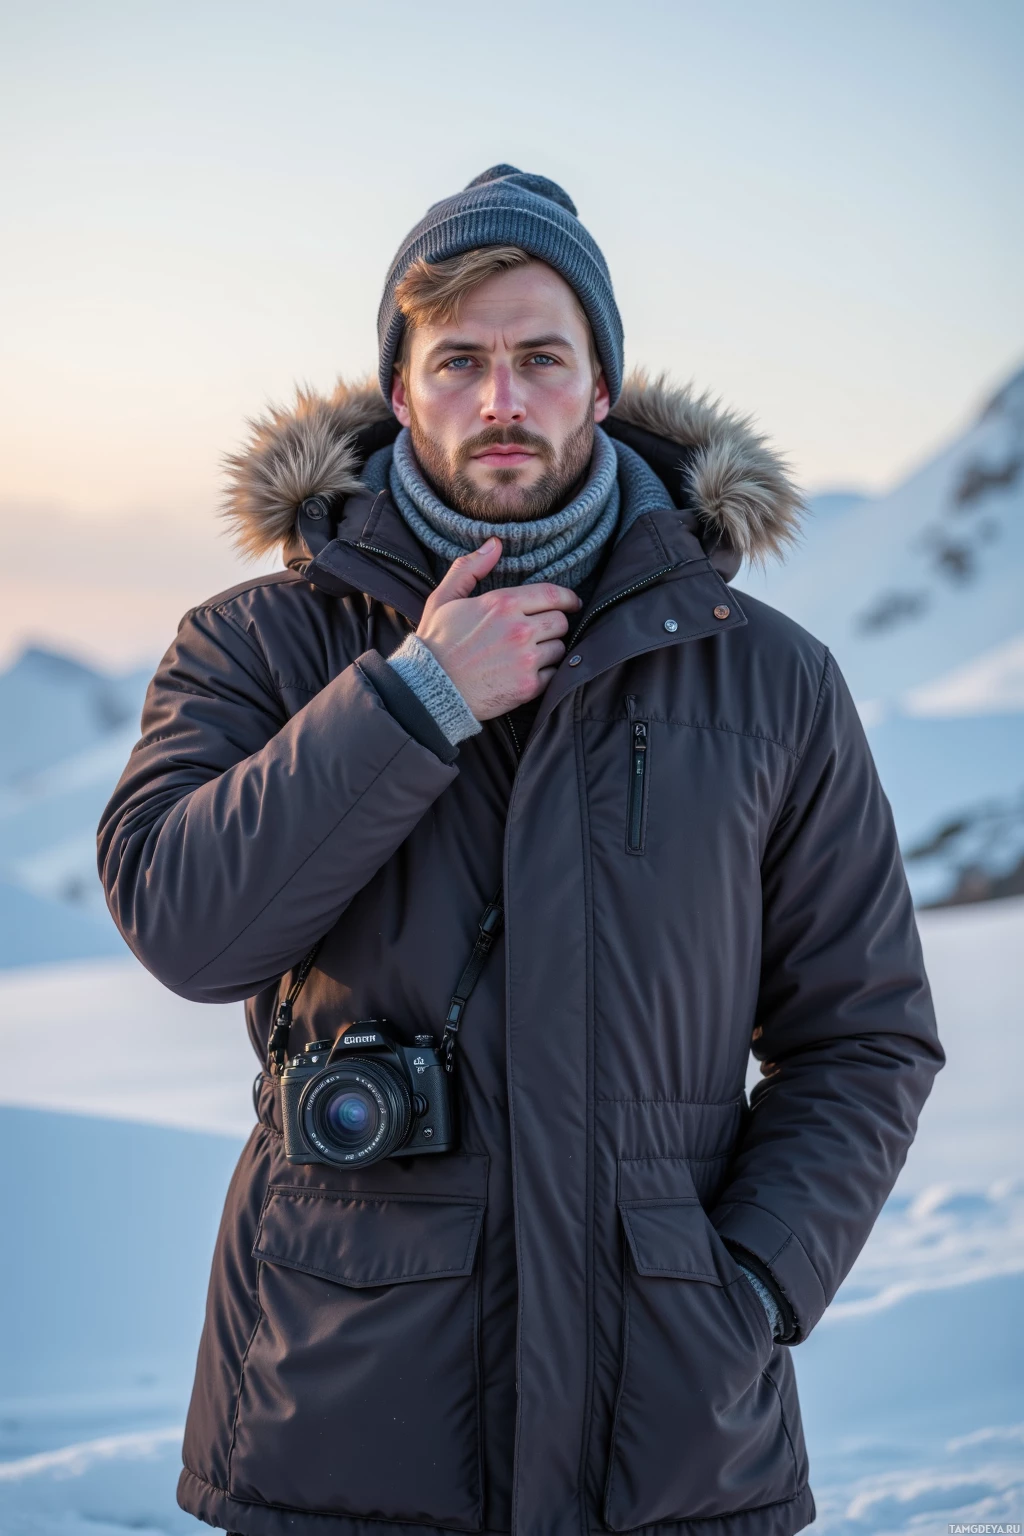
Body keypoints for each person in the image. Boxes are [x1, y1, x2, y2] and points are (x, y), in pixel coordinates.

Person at [98, 166, 942, 1536]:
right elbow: (187, 925)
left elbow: (867, 1035)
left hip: (673, 1433)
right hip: (336, 1422)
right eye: (461, 361)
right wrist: (414, 700)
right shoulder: (257, 645)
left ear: (601, 385)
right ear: (400, 388)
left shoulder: (769, 679)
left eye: (541, 358)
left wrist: (751, 1288)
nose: (503, 401)